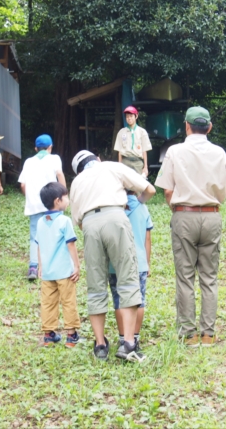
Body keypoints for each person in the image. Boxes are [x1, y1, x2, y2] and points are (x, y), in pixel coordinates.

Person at [155, 106, 226, 347]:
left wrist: (179, 210)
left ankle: (188, 334)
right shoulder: (219, 152)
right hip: (212, 215)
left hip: (184, 215)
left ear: (186, 126)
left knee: (185, 277)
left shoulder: (175, 151)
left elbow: (167, 190)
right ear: (209, 127)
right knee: (209, 278)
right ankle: (209, 334)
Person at [70, 150, 156, 362]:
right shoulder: (110, 166)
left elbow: (78, 221)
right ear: (97, 159)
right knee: (127, 278)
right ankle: (128, 342)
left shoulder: (77, 182)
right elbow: (149, 189)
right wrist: (138, 202)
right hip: (116, 217)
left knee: (96, 284)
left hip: (89, 224)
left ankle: (100, 345)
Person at [36, 182, 82, 348]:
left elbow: (39, 245)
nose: (68, 200)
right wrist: (77, 266)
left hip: (47, 272)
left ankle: (48, 335)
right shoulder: (64, 221)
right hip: (65, 272)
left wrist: (40, 266)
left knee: (47, 303)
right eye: (65, 197)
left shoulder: (40, 222)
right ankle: (71, 336)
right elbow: (71, 245)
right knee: (68, 301)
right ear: (57, 201)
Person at [18, 134, 66, 281]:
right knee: (57, 233)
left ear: (35, 148)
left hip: (34, 206)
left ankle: (33, 266)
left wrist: (31, 198)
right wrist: (64, 195)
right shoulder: (54, 158)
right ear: (50, 147)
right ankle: (55, 265)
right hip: (53, 202)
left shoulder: (28, 162)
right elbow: (60, 174)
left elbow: (23, 184)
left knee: (35, 236)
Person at [108, 190, 153, 347]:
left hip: (115, 263)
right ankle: (134, 337)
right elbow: (147, 237)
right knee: (138, 301)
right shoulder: (142, 208)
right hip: (138, 262)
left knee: (118, 300)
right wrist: (147, 262)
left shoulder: (113, 209)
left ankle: (122, 338)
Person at [113, 106, 152, 177]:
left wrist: (145, 167)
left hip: (138, 162)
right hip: (125, 161)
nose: (129, 118)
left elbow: (144, 150)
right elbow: (119, 151)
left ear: (136, 116)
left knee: (139, 185)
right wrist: (119, 165)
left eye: (131, 116)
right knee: (125, 185)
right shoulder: (121, 132)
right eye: (127, 116)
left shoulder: (142, 132)